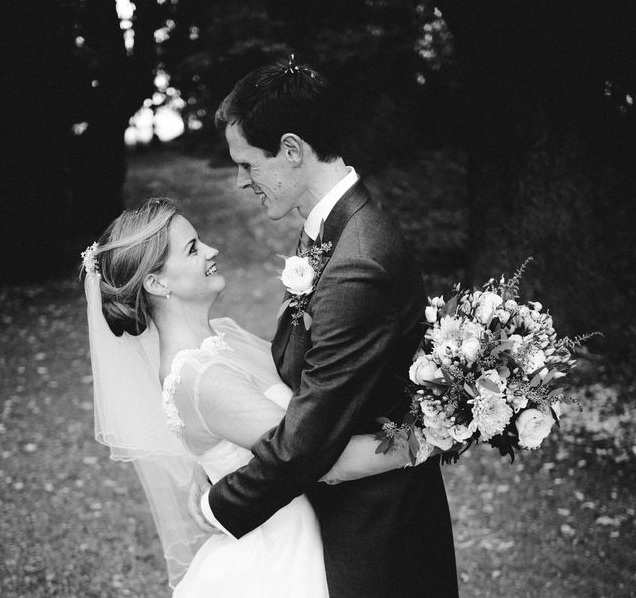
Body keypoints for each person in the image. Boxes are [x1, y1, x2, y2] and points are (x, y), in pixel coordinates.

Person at [191, 58, 458, 597]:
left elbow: (308, 439)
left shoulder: (357, 259)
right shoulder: (332, 232)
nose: (242, 181)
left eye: (248, 164)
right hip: (348, 521)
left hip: (373, 540)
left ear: (292, 150)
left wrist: (218, 505)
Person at [84, 197, 431, 596]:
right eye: (193, 249)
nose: (212, 251)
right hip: (282, 554)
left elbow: (301, 408)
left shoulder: (223, 337)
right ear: (157, 283)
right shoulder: (200, 377)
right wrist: (430, 438)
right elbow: (318, 459)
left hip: (311, 525)